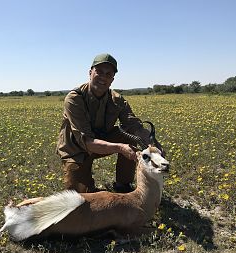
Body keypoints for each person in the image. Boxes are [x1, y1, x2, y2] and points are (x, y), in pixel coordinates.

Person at [56, 53, 164, 193]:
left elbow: (134, 126)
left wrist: (153, 144)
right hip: (76, 149)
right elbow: (87, 141)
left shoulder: (117, 99)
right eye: (99, 72)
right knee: (79, 197)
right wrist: (120, 148)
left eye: (108, 74)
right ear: (90, 73)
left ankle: (123, 186)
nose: (103, 77)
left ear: (112, 78)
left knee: (129, 134)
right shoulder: (75, 98)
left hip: (101, 141)